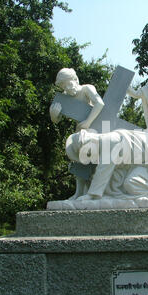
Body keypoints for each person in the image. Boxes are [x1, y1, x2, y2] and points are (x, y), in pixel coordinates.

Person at [49, 68, 105, 200]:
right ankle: (79, 192)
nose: (67, 89)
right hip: (80, 132)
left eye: (68, 84)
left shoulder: (86, 89)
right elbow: (56, 120)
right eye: (64, 86)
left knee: (93, 161)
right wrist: (53, 115)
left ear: (76, 80)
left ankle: (96, 191)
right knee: (78, 161)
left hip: (95, 129)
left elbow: (100, 104)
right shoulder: (65, 97)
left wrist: (87, 122)